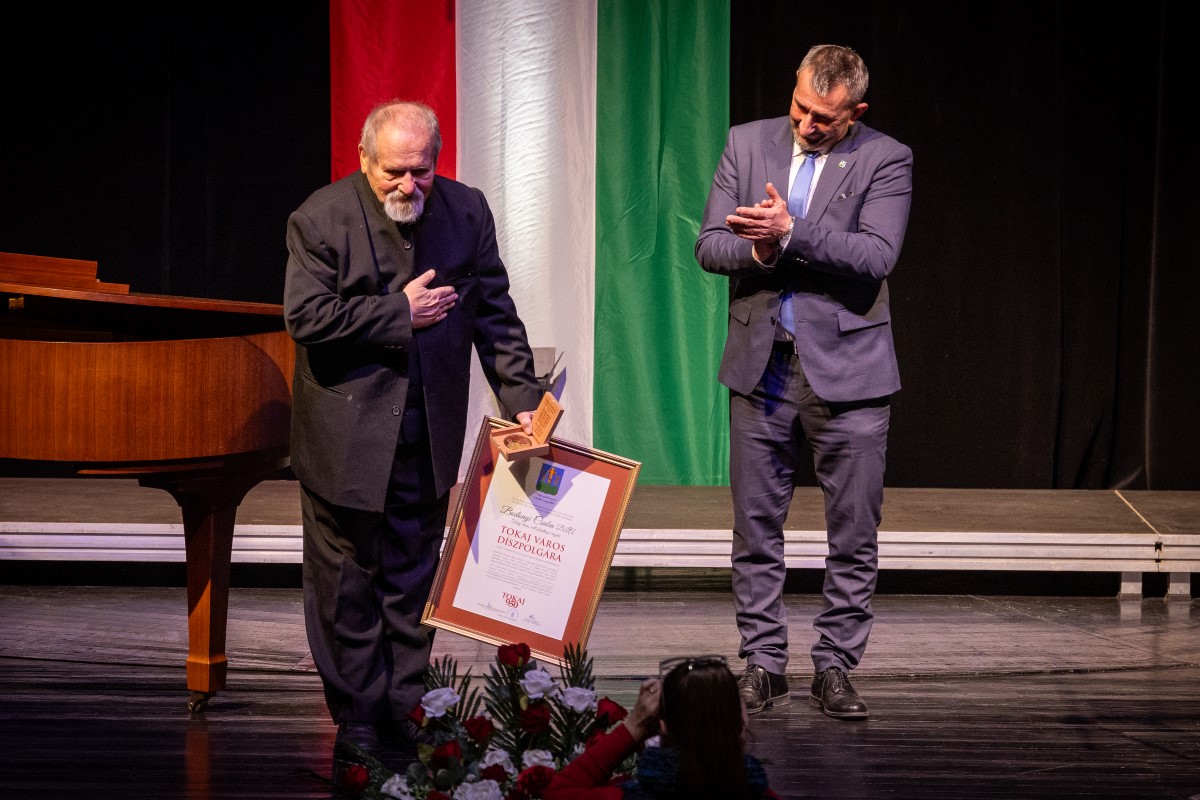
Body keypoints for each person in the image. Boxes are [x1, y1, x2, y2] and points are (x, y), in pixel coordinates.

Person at [282, 100, 543, 771]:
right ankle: (357, 719)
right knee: (347, 588)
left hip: (426, 433)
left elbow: (494, 313)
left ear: (437, 161)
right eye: (393, 172)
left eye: (420, 172)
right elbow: (306, 318)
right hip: (345, 437)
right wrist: (399, 312)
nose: (408, 185)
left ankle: (406, 711)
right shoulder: (320, 217)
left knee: (411, 580)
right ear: (364, 160)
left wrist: (523, 398)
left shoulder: (465, 211)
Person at [694, 44, 913, 720]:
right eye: (800, 108)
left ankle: (835, 665)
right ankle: (762, 663)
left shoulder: (886, 158)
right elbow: (710, 245)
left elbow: (876, 255)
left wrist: (791, 233)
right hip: (761, 364)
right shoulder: (747, 143)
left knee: (853, 530)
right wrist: (758, 249)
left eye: (825, 117)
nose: (807, 125)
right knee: (755, 528)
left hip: (850, 372)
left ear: (856, 113)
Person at [545, 655, 780, 800]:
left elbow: (557, 792)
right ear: (741, 725)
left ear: (662, 726)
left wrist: (634, 727)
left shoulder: (630, 796)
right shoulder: (759, 793)